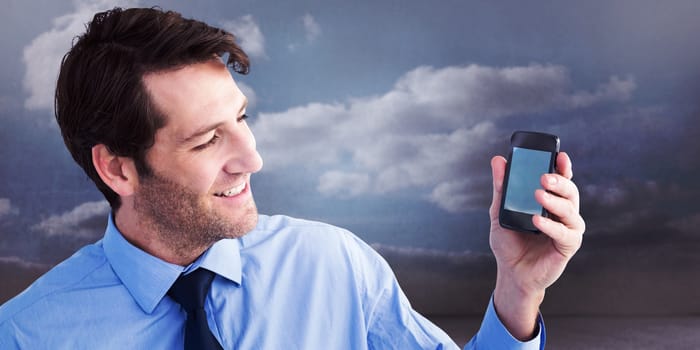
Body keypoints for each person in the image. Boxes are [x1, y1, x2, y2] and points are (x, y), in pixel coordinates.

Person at [0, 7, 584, 349]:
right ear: (117, 168)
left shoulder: (333, 265)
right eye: (207, 139)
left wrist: (518, 292)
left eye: (242, 119)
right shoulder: (27, 334)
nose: (250, 159)